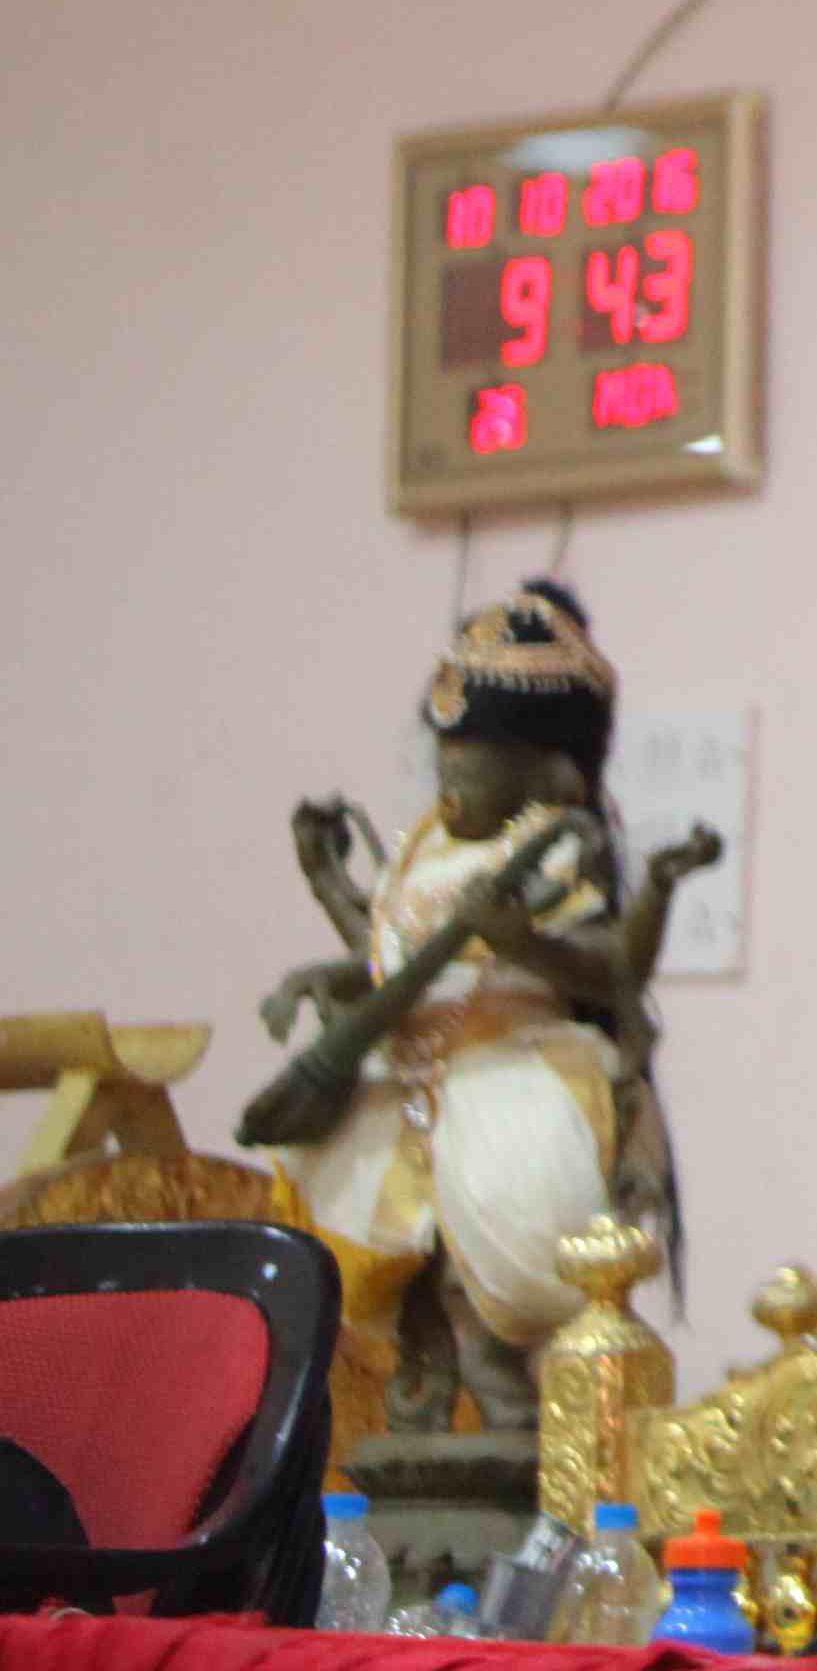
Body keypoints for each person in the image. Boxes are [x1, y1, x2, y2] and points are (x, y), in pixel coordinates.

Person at [244, 586, 724, 1437]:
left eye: (471, 766)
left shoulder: (555, 846)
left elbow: (612, 966)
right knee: (414, 1302)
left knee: (493, 1295)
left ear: (552, 776)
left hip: (509, 1083)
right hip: (401, 1089)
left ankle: (514, 1437)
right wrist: (330, 886)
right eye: (444, 762)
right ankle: (435, 1430)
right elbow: (394, 958)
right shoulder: (425, 848)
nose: (450, 782)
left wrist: (522, 940)